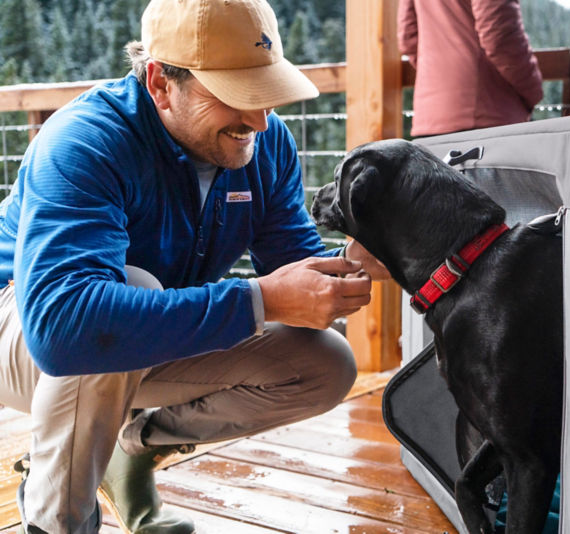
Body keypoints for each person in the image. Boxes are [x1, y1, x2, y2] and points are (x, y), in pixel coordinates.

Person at [0, 0, 388, 532]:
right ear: (161, 83)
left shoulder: (265, 142)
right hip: (25, 326)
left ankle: (128, 448)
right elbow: (64, 327)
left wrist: (357, 263)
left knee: (325, 363)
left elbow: (296, 267)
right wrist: (262, 299)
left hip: (138, 334)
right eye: (238, 96)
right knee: (118, 293)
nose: (260, 118)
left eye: (267, 90)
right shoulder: (84, 141)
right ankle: (57, 519)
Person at [397, 0, 545, 137]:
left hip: (430, 120)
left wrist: (437, 79)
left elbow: (407, 38)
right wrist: (533, 90)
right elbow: (500, 37)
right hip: (488, 117)